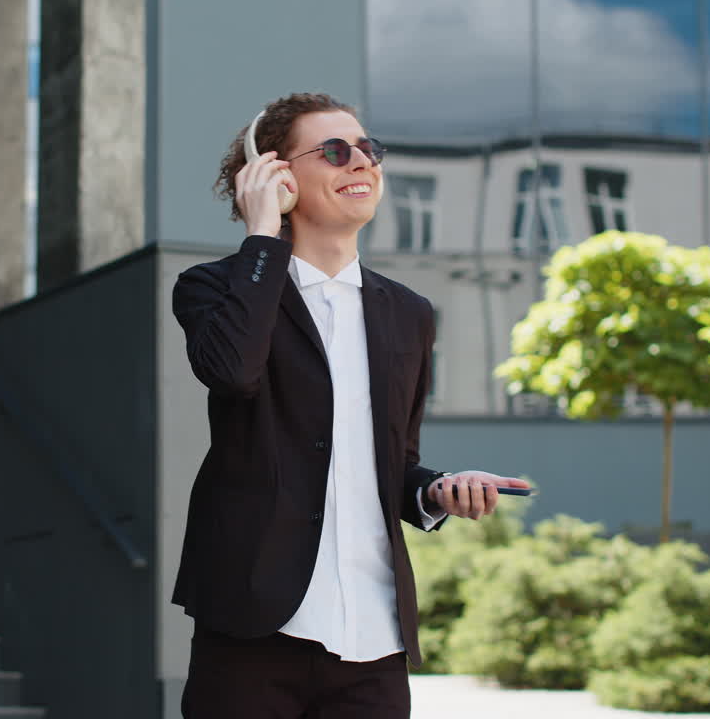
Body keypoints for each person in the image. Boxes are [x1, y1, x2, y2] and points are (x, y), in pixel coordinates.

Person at [171, 92, 531, 719]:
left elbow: (394, 463)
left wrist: (436, 490)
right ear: (276, 174)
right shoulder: (217, 286)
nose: (362, 163)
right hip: (253, 628)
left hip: (373, 639)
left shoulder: (410, 314)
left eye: (370, 150)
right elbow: (230, 373)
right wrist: (263, 233)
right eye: (336, 151)